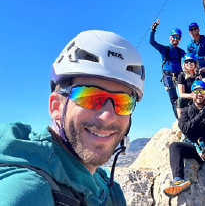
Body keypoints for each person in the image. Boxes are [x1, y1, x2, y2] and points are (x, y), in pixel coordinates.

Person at [0, 30, 145, 206]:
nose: (107, 116)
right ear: (56, 107)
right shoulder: (27, 193)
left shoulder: (106, 186)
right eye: (90, 97)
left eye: (123, 102)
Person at [164, 80, 205, 206]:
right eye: (196, 91)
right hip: (194, 146)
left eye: (202, 91)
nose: (199, 94)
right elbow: (185, 128)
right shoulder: (186, 111)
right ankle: (178, 180)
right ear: (192, 94)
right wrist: (202, 114)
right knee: (174, 146)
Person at [150, 20, 186, 118]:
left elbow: (190, 57)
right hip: (168, 76)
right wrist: (153, 30)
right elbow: (152, 42)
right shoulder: (164, 49)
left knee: (185, 95)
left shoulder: (180, 51)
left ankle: (187, 114)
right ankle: (180, 119)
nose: (176, 39)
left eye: (178, 37)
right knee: (174, 99)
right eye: (174, 36)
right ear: (170, 37)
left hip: (179, 75)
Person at [177, 53, 205, 118]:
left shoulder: (200, 73)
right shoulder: (181, 76)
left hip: (201, 97)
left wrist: (203, 80)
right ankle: (181, 121)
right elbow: (181, 94)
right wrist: (193, 96)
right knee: (180, 100)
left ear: (195, 63)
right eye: (186, 62)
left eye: (191, 61)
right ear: (184, 64)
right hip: (190, 99)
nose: (189, 63)